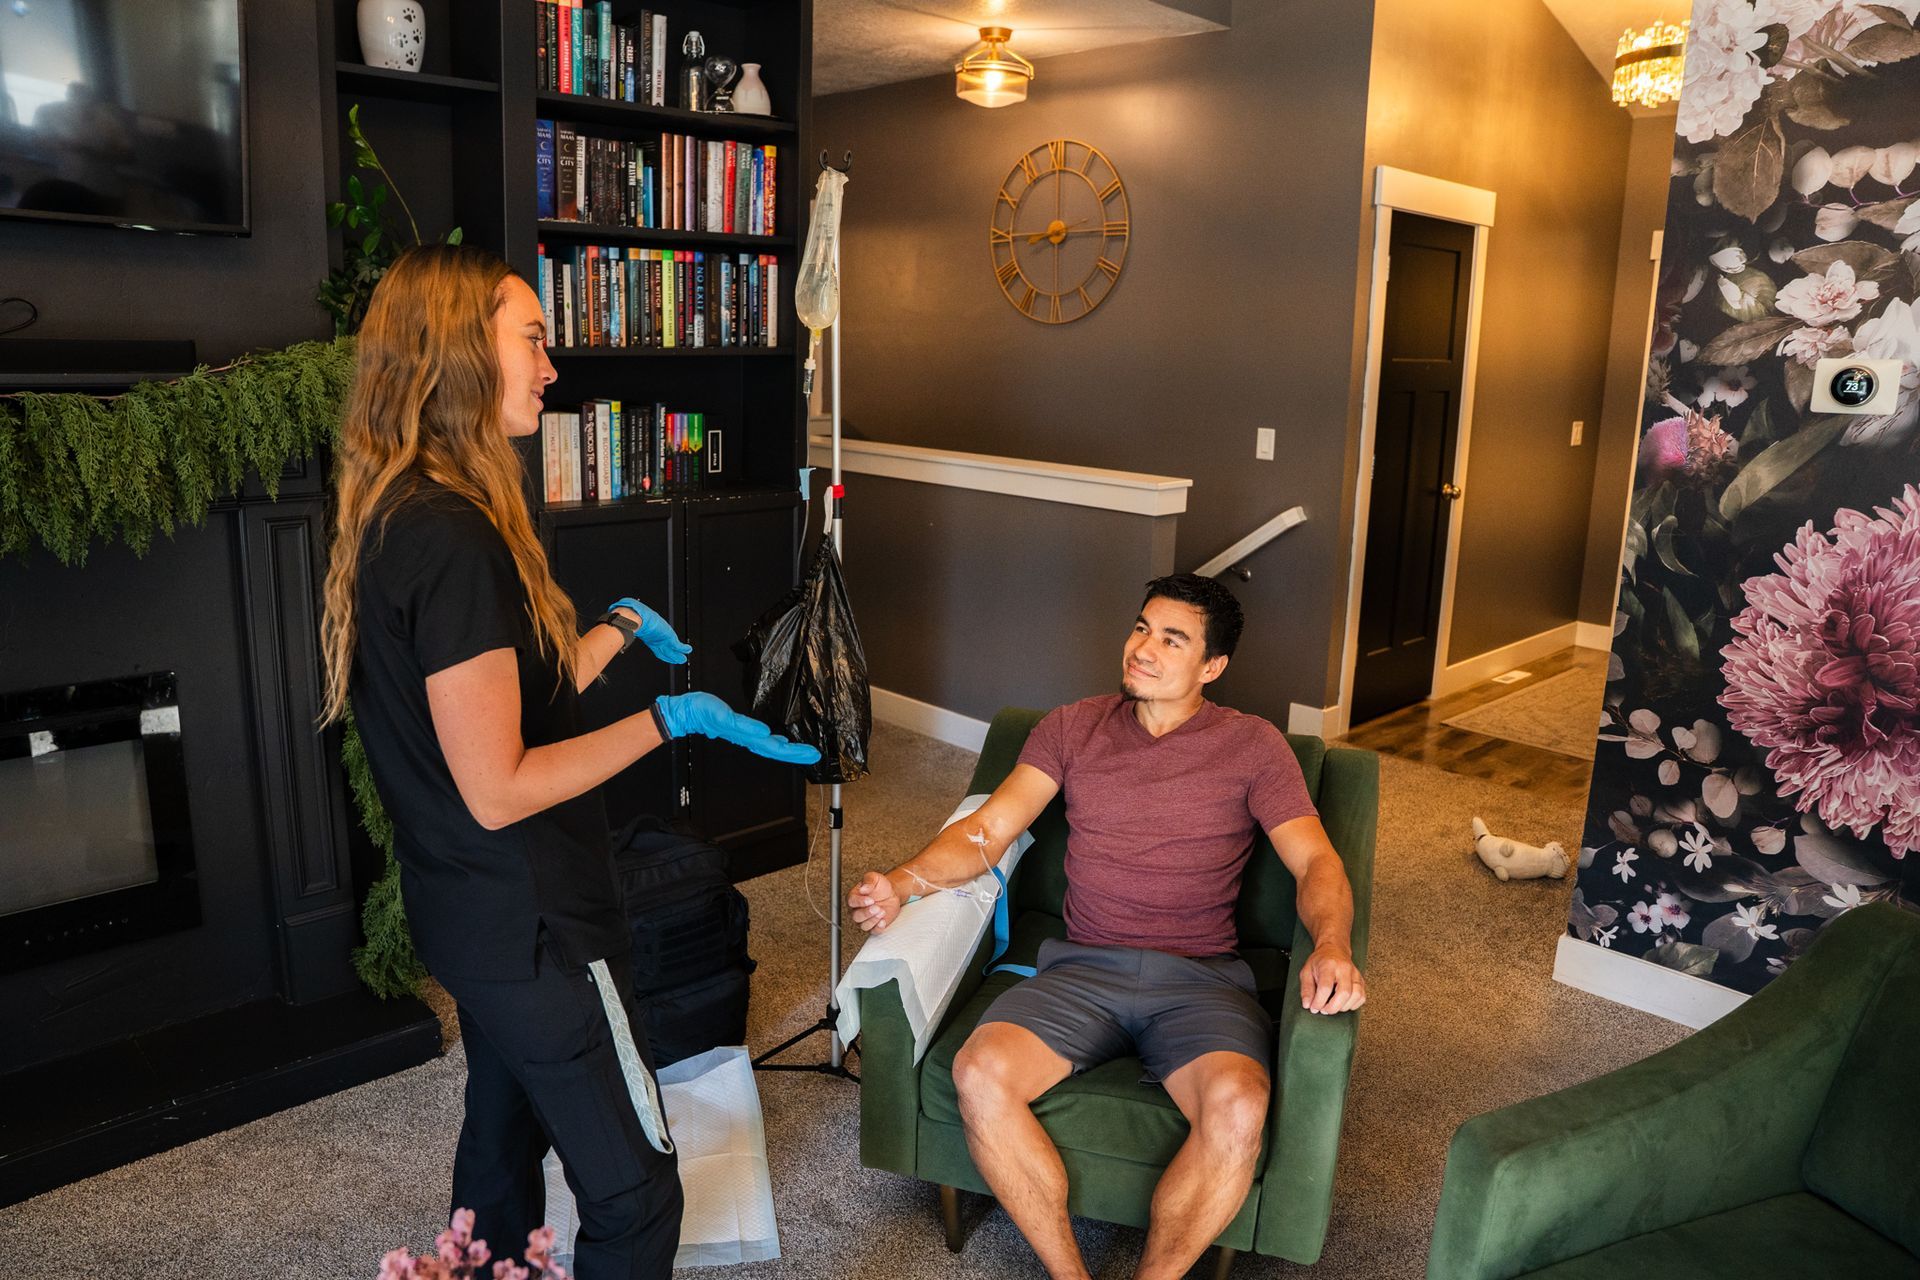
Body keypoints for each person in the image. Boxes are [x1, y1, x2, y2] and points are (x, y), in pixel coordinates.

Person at [318, 244, 818, 1278]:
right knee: (637, 1192)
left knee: (499, 1146)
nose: (553, 368)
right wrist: (668, 722)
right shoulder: (453, 538)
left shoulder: (403, 512)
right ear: (458, 352)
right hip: (538, 921)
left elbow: (507, 701)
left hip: (469, 913)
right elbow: (498, 784)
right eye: (533, 339)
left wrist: (619, 630)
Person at [846, 573, 1366, 1280]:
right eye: (1141, 627)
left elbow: (1315, 864)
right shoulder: (1072, 726)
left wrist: (1332, 943)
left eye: (1171, 639)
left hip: (1201, 980)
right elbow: (986, 832)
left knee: (1241, 1105)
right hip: (1082, 969)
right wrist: (902, 884)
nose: (1143, 648)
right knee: (978, 1071)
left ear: (1212, 667)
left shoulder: (1254, 747)